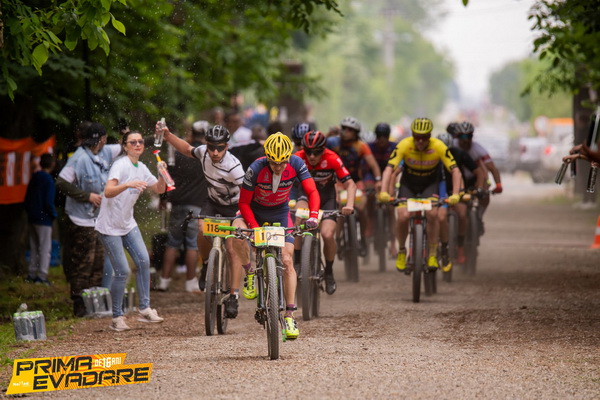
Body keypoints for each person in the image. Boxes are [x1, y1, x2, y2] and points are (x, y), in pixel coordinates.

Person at [231, 133, 320, 339]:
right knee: (236, 234)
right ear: (267, 158)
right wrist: (254, 227)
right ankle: (249, 272)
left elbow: (312, 191)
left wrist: (314, 216)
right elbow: (243, 203)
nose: (278, 167)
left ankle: (289, 315)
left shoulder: (297, 163)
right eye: (273, 163)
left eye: (282, 163)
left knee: (287, 260)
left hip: (280, 213)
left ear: (288, 158)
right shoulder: (255, 168)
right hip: (253, 212)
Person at [160, 123, 246, 318]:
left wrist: (247, 217)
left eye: (220, 148)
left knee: (232, 248)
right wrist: (168, 136)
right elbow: (186, 149)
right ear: (207, 145)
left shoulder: (234, 167)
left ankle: (233, 296)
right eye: (211, 147)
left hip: (234, 206)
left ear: (227, 146)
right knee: (202, 229)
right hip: (213, 202)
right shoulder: (203, 153)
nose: (215, 152)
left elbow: (248, 194)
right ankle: (206, 264)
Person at [96, 131, 167, 331]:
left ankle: (144, 308)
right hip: (109, 226)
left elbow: (159, 189)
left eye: (140, 142)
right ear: (125, 146)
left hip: (127, 224)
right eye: (132, 142)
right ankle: (117, 317)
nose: (137, 144)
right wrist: (127, 184)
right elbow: (108, 191)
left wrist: (161, 173)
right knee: (122, 271)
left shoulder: (141, 167)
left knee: (144, 261)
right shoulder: (120, 165)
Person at [379, 118, 462, 272]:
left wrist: (456, 194)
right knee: (402, 216)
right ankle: (402, 250)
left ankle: (432, 253)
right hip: (408, 185)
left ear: (430, 136)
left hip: (430, 185)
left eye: (425, 137)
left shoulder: (439, 146)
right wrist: (384, 191)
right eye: (417, 137)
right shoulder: (404, 145)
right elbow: (389, 169)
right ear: (412, 135)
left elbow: (455, 170)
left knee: (432, 214)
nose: (421, 141)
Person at [56, 123, 121, 317]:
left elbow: (127, 146)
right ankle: (79, 304)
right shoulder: (79, 158)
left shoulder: (104, 152)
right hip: (80, 219)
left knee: (98, 262)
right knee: (83, 262)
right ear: (101, 139)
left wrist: (159, 137)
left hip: (98, 219)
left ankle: (94, 304)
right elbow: (61, 182)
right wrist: (87, 196)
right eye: (103, 138)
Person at [294, 130, 356, 294]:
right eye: (308, 152)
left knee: (327, 235)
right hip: (305, 197)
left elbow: (350, 184)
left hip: (327, 198)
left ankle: (328, 272)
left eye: (316, 152)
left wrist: (349, 205)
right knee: (299, 219)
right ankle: (298, 261)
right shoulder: (297, 158)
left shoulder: (332, 158)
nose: (312, 156)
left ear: (323, 150)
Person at [157, 121, 209, 293]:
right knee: (192, 245)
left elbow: (167, 177)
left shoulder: (179, 154)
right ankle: (190, 281)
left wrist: (163, 198)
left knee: (172, 242)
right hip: (197, 205)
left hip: (177, 203)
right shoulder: (206, 156)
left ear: (192, 135)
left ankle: (164, 280)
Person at [327, 116, 382, 256]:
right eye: (344, 128)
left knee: (362, 206)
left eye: (350, 129)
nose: (346, 131)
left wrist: (378, 180)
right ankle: (338, 239)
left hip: (356, 180)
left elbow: (373, 165)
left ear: (356, 133)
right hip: (338, 180)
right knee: (339, 204)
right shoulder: (333, 142)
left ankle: (363, 237)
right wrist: (328, 134)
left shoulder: (361, 146)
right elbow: (319, 147)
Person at [436, 132, 485, 267]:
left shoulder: (459, 154)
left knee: (462, 213)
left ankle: (460, 246)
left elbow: (478, 172)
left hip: (457, 189)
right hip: (437, 190)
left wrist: (479, 188)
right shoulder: (431, 155)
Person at [453, 121, 503, 230]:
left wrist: (498, 185)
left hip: (473, 179)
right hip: (455, 179)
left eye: (469, 136)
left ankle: (478, 216)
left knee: (484, 194)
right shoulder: (451, 145)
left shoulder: (478, 149)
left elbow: (492, 168)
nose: (466, 140)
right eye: (463, 137)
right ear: (457, 137)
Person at [364, 122, 399, 257]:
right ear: (376, 136)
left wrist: (391, 187)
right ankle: (370, 221)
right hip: (371, 175)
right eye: (379, 136)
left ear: (388, 136)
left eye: (385, 136)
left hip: (389, 175)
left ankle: (393, 244)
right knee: (369, 195)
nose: (382, 139)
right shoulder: (370, 147)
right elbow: (364, 166)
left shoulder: (394, 147)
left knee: (390, 208)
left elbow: (396, 169)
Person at [24, 153, 57, 285]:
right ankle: (42, 276)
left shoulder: (34, 177)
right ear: (52, 164)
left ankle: (31, 273)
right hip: (44, 219)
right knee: (44, 248)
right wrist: (53, 214)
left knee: (34, 247)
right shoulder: (49, 180)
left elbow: (27, 198)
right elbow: (48, 201)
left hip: (32, 217)